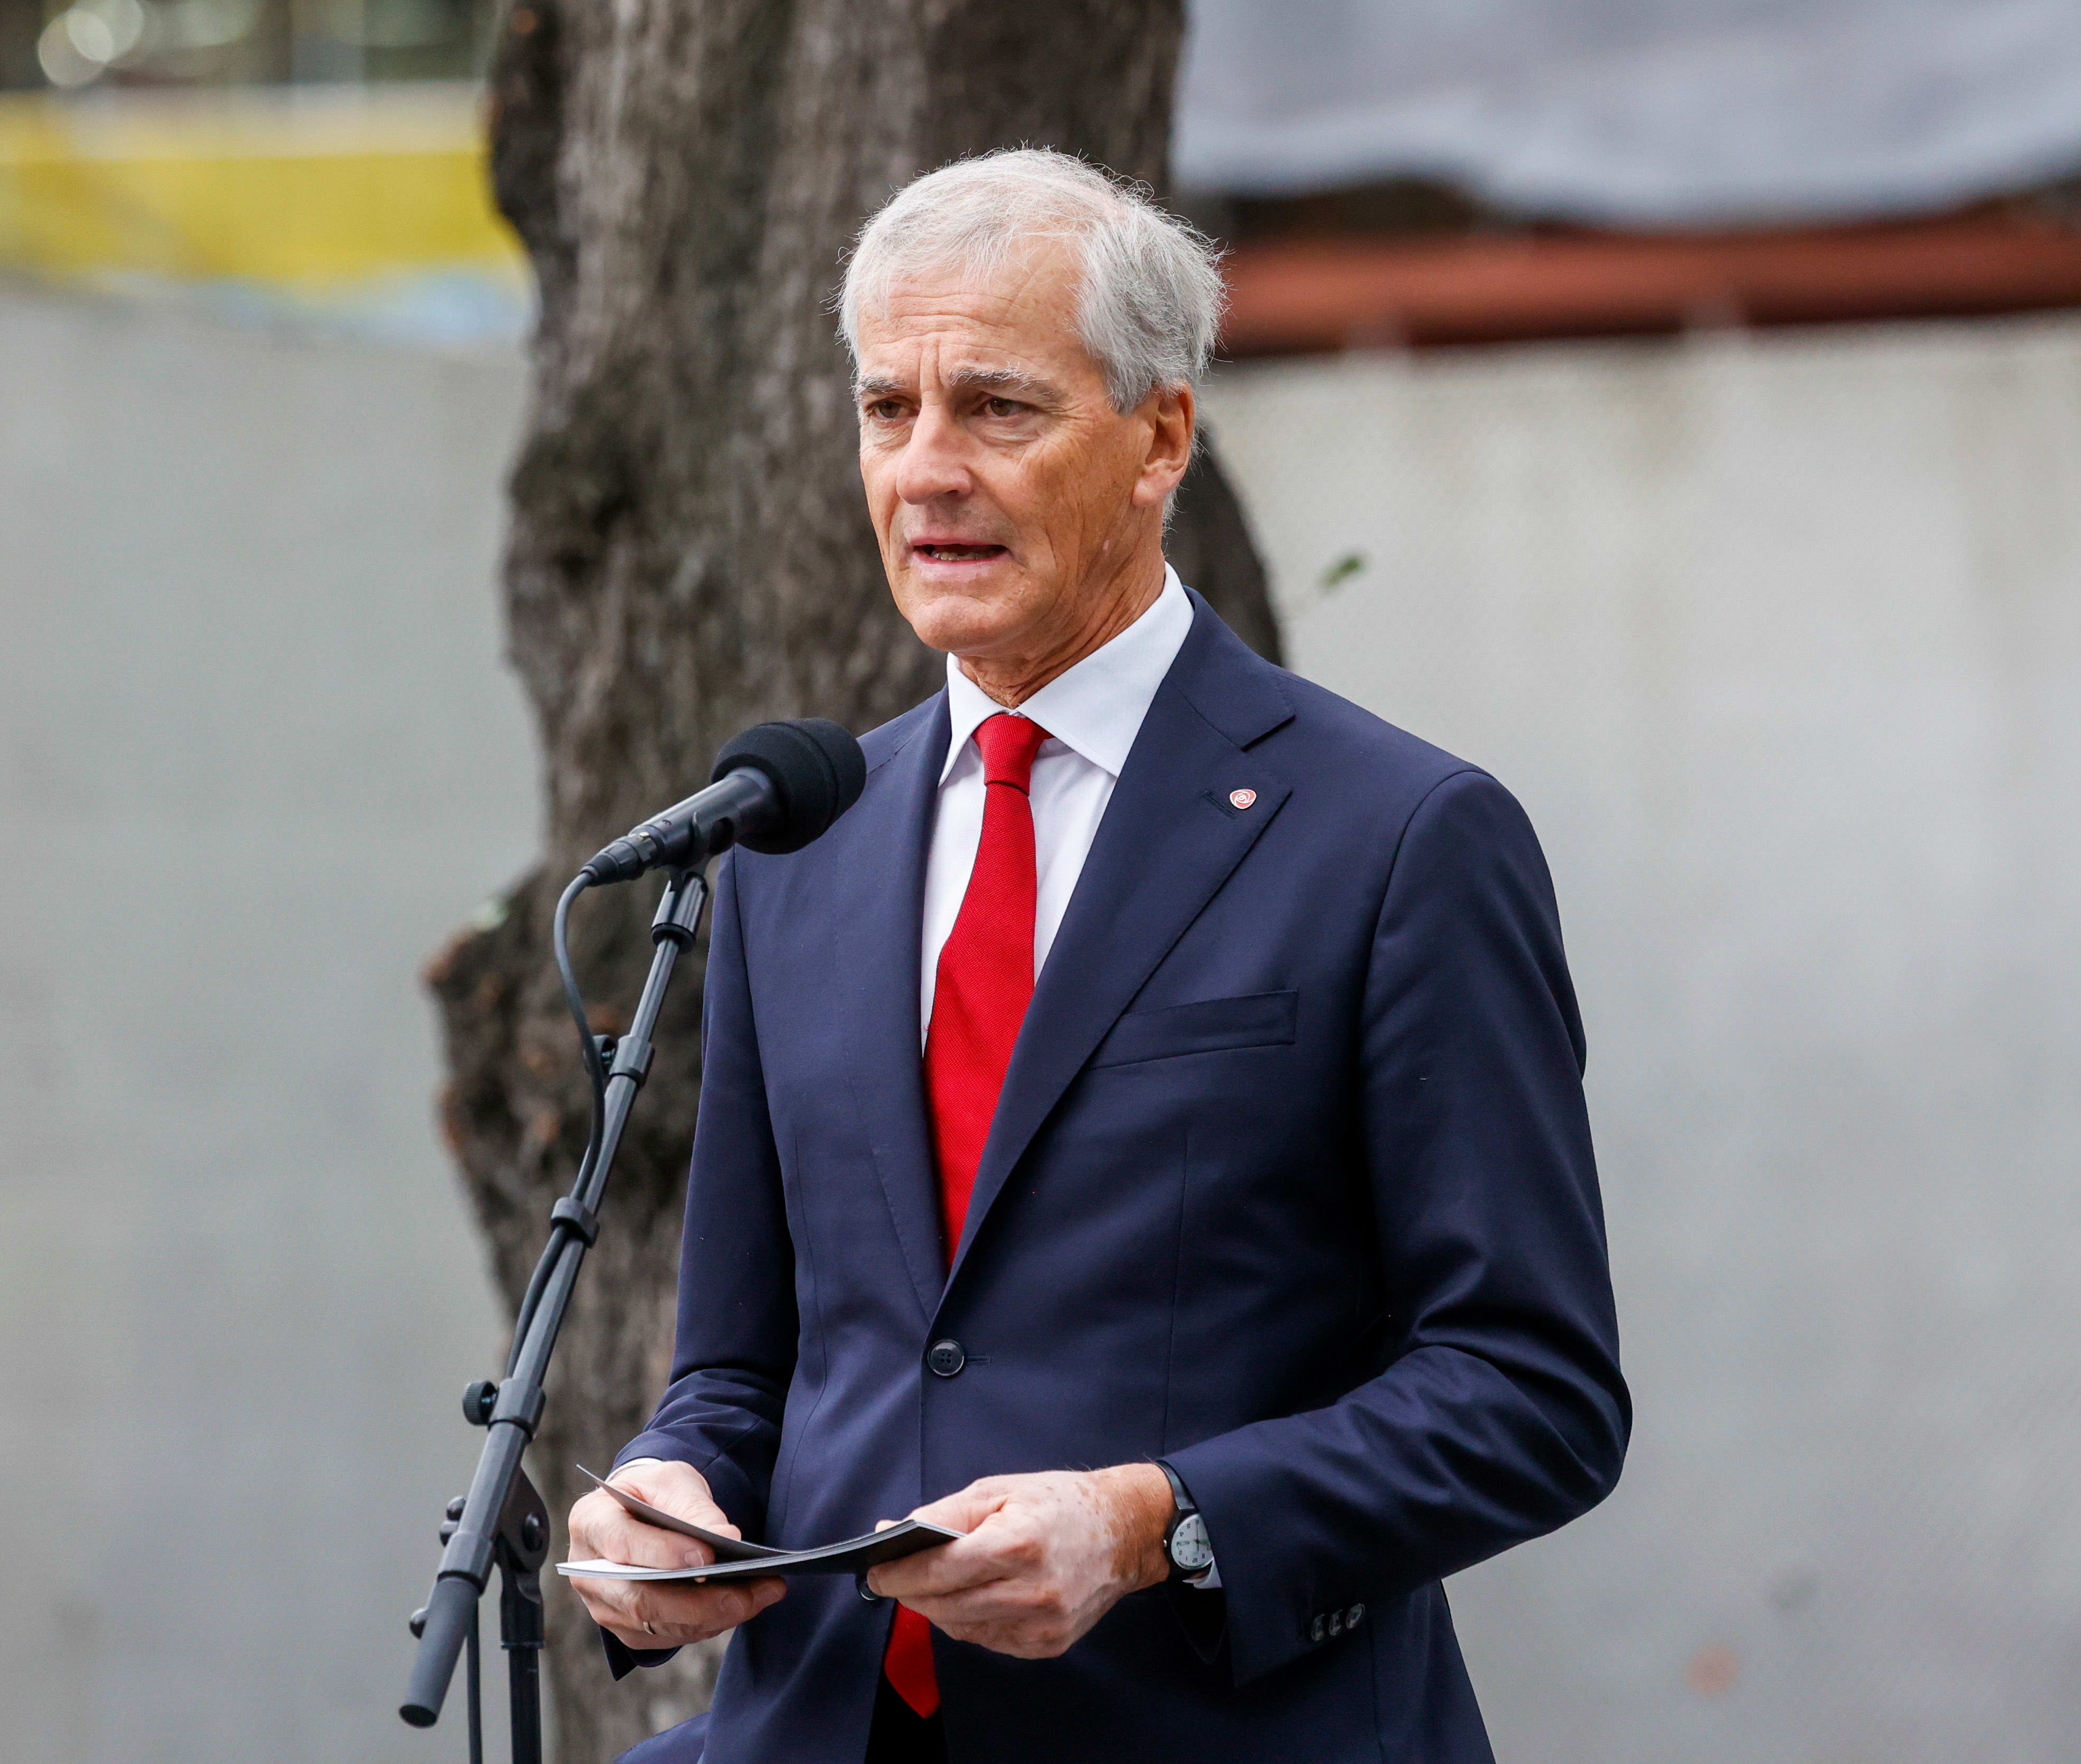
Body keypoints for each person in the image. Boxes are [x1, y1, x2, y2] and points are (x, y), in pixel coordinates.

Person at [565, 148, 1629, 1763]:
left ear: (1159, 437)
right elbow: (744, 1361)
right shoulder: (795, 846)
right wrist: (672, 1488)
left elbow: (1530, 1394)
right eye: (886, 410)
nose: (925, 471)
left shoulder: (1398, 836)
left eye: (996, 408)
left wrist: (1152, 1522)